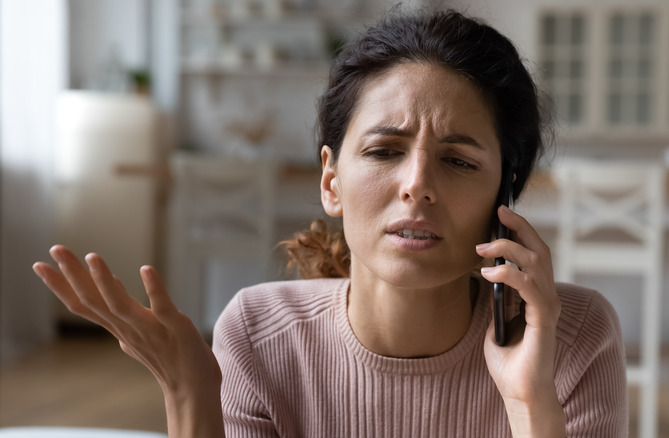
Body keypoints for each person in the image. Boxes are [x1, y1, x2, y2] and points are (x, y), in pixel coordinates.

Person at [33, 9, 627, 438]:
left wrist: (529, 403)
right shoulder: (259, 335)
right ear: (330, 180)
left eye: (459, 160)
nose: (416, 182)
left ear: (505, 192)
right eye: (384, 150)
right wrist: (190, 392)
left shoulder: (572, 338)